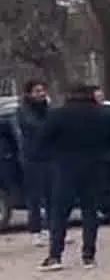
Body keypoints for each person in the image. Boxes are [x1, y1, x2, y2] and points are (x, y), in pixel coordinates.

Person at [36, 84, 110, 270]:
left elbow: (42, 140)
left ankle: (55, 256)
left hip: (65, 167)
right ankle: (88, 256)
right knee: (90, 212)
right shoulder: (104, 115)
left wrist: (53, 156)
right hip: (94, 167)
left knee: (59, 213)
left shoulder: (58, 115)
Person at [11, 79, 51, 239]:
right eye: (37, 91)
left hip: (48, 155)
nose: (41, 94)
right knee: (35, 195)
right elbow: (34, 127)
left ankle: (52, 228)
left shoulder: (47, 108)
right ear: (29, 93)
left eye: (43, 90)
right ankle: (36, 230)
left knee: (51, 194)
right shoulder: (24, 110)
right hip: (32, 157)